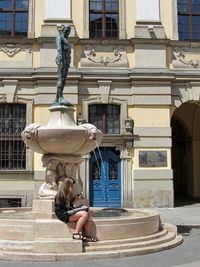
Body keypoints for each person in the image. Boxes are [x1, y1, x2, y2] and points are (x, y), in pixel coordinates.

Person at [54, 177, 97, 241]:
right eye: (72, 185)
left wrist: (75, 198)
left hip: (69, 212)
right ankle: (76, 234)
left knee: (88, 214)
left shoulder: (68, 193)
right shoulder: (60, 195)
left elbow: (70, 205)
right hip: (63, 214)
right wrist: (76, 209)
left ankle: (87, 236)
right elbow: (65, 208)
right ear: (68, 185)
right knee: (84, 214)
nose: (73, 187)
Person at [54, 25, 72, 106]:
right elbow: (59, 47)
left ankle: (58, 98)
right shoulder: (60, 37)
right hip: (62, 60)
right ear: (63, 30)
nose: (68, 32)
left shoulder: (66, 39)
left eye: (69, 30)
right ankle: (60, 97)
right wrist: (61, 57)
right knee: (61, 78)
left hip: (66, 61)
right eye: (67, 30)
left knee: (63, 79)